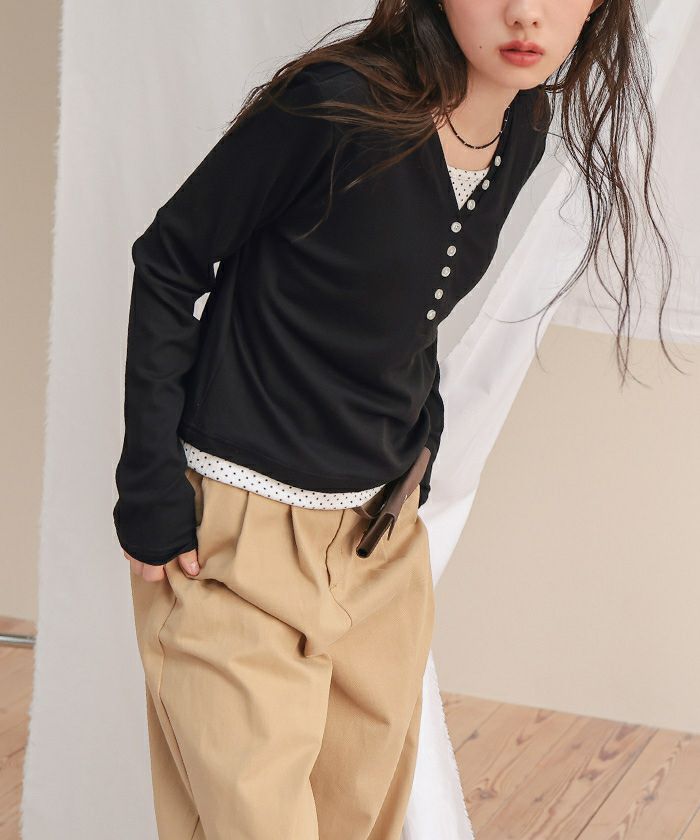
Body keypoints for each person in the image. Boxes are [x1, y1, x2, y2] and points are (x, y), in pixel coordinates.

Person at [113, 1, 675, 837]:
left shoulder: (521, 127)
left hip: (379, 546)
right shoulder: (333, 108)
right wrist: (149, 488)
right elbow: (169, 259)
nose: (525, 13)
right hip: (235, 536)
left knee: (358, 820)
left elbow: (407, 307)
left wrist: (423, 437)